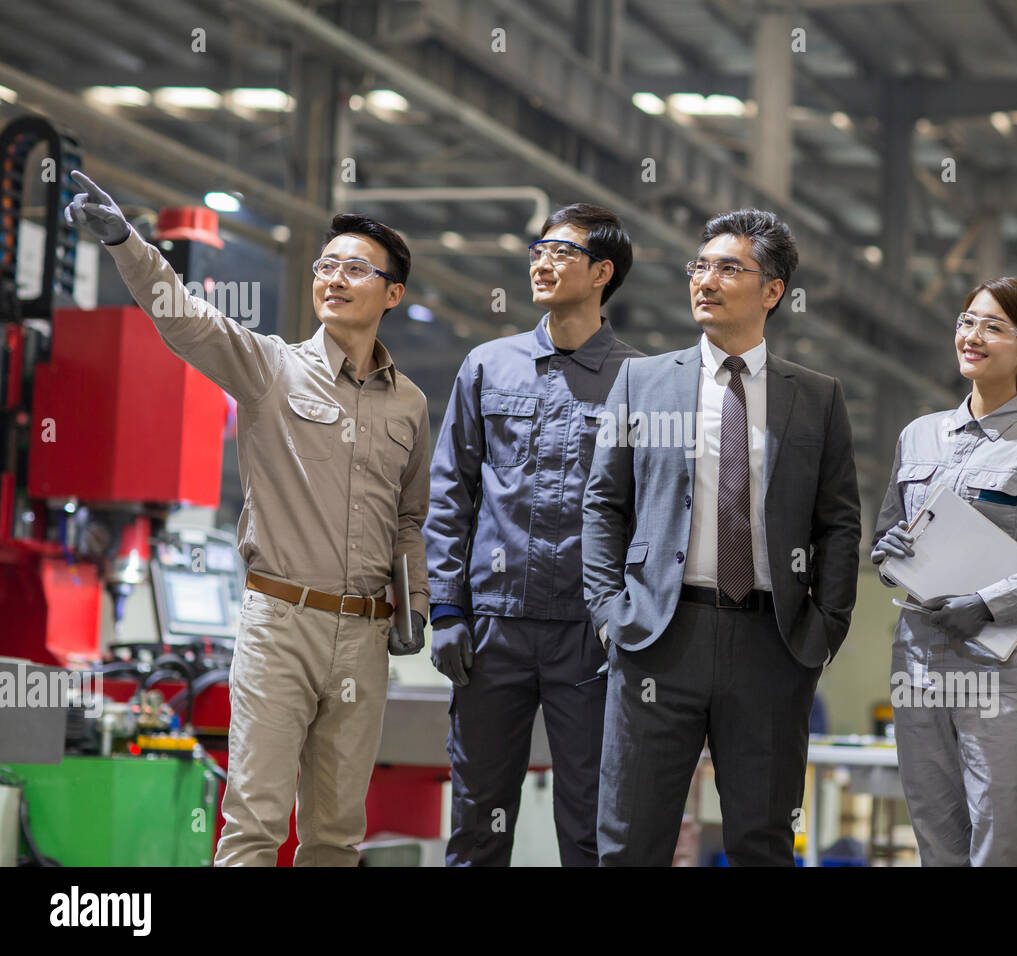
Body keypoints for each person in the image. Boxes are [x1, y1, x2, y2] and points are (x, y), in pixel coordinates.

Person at [64, 171, 431, 866]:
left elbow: (409, 517)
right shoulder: (270, 369)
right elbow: (185, 318)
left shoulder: (408, 405)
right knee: (255, 826)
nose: (334, 278)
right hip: (280, 625)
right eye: (327, 266)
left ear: (393, 293)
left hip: (364, 637)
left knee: (335, 836)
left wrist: (413, 602)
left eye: (356, 268)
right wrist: (127, 243)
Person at [583, 208, 861, 866]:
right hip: (657, 636)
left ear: (772, 291)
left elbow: (840, 523)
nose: (706, 280)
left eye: (728, 268)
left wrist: (824, 630)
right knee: (629, 841)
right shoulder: (643, 383)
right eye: (700, 267)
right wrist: (607, 611)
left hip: (771, 645)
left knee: (762, 843)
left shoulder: (816, 398)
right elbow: (603, 504)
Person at [423, 203, 641, 866]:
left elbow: (659, 513)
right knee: (477, 820)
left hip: (590, 635)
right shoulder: (488, 366)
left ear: (602, 272)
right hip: (492, 630)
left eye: (562, 252)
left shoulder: (642, 381)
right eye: (537, 250)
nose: (542, 263)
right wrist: (445, 607)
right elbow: (449, 492)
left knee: (591, 824)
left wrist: (632, 619)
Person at [870, 276, 1017, 866]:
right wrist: (890, 550)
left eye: (993, 326)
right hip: (920, 666)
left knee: (1002, 844)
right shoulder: (918, 435)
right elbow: (883, 542)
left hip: (1007, 675)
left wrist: (988, 601)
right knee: (935, 839)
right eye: (966, 320)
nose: (972, 335)